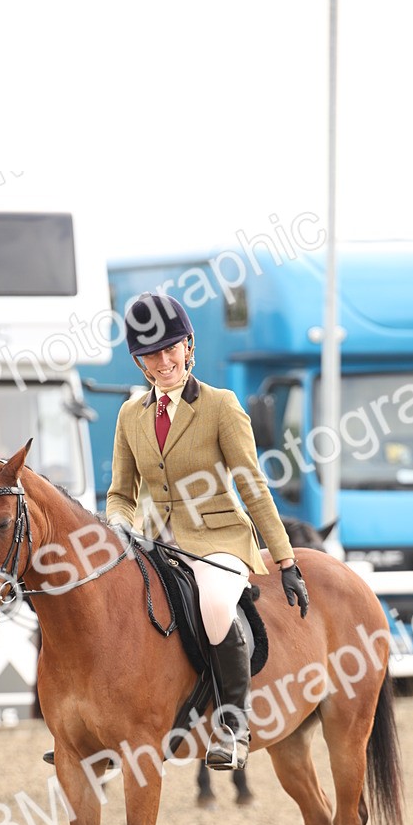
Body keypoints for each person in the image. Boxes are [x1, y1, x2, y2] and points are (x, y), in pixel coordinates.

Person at [106, 292, 309, 773]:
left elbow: (253, 487)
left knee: (217, 606)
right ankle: (108, 725)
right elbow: (120, 493)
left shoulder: (221, 405)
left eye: (171, 347)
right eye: (152, 354)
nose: (164, 360)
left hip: (219, 541)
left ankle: (234, 724)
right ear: (140, 362)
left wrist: (286, 561)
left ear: (189, 346)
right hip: (157, 542)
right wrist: (119, 528)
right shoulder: (130, 416)